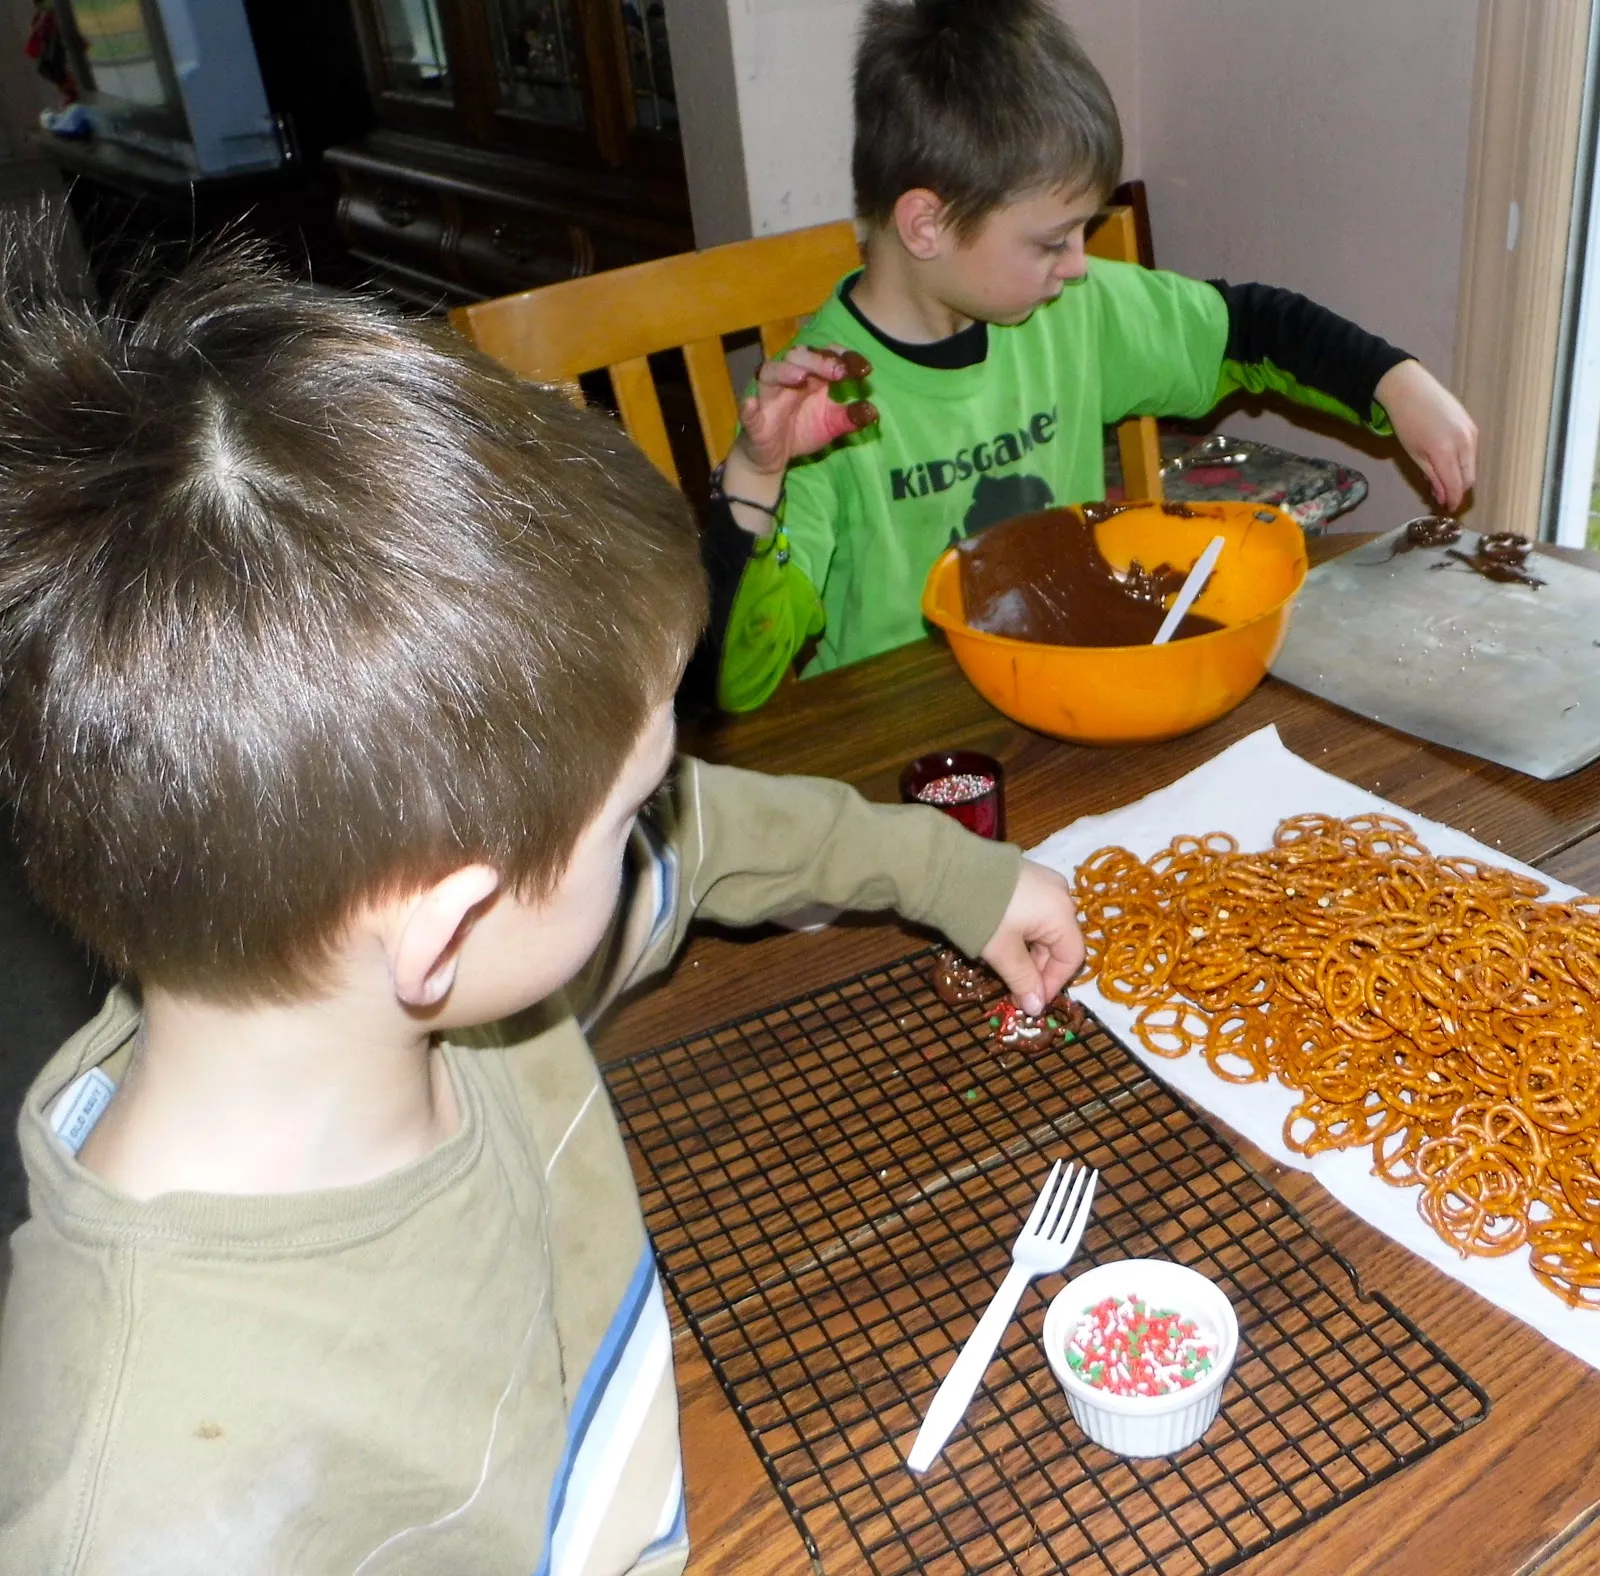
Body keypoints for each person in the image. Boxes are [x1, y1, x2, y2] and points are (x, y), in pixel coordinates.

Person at [0, 241, 1085, 1574]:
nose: (659, 830)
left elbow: (715, 835)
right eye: (627, 816)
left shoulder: (412, 974)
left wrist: (954, 875)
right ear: (446, 926)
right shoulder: (133, 1507)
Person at [700, 0, 1479, 712]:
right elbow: (733, 687)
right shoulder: (825, 407)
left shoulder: (1069, 310)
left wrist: (1394, 381)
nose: (1078, 264)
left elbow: (1250, 330)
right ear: (926, 225)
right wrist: (756, 474)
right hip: (919, 766)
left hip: (1076, 705)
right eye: (1050, 241)